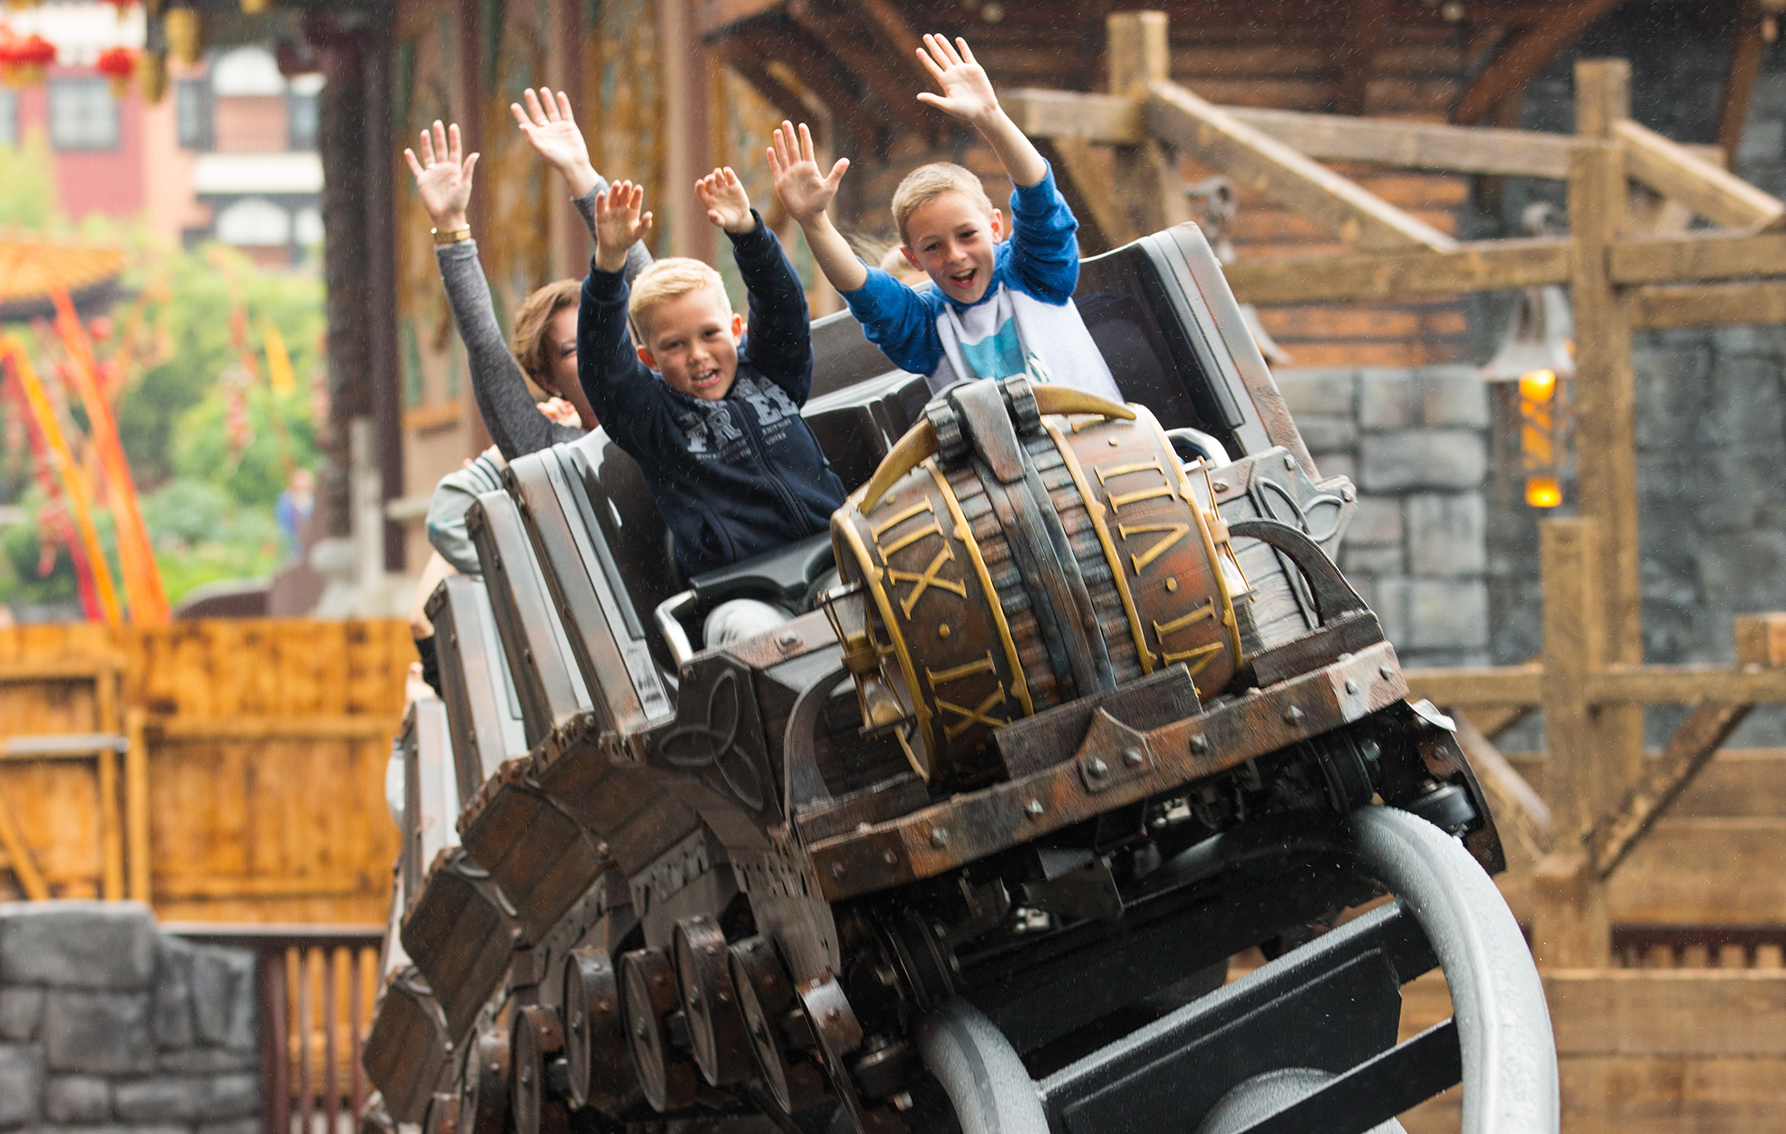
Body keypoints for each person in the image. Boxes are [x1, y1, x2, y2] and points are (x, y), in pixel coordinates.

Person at [770, 34, 1121, 400]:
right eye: (933, 247)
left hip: (1105, 448)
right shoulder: (926, 330)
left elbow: (1039, 200)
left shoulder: (1035, 275)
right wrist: (814, 222)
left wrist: (992, 119)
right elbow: (863, 291)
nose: (954, 255)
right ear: (912, 258)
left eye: (967, 235)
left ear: (995, 227)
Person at [578, 171, 847, 644]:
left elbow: (783, 307)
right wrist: (609, 264)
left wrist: (747, 232)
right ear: (649, 359)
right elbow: (603, 366)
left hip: (833, 559)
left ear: (736, 329)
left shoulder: (773, 374)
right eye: (675, 346)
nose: (698, 355)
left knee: (872, 600)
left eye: (709, 334)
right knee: (752, 639)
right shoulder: (654, 422)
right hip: (741, 593)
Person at [403, 91, 651, 464]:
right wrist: (451, 226)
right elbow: (484, 344)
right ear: (550, 381)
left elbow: (657, 296)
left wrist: (579, 172)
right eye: (572, 350)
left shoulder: (668, 405)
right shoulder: (546, 446)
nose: (596, 351)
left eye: (611, 333)